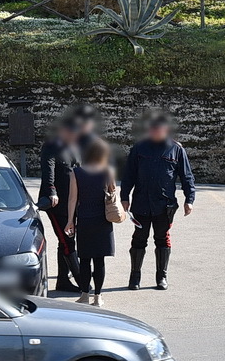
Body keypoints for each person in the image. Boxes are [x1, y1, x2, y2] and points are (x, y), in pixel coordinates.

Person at [120, 111, 196, 291]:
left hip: (164, 205)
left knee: (162, 240)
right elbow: (129, 175)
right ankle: (135, 277)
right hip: (141, 204)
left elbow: (187, 177)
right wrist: (124, 197)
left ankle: (161, 277)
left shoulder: (176, 150)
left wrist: (189, 199)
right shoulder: (139, 148)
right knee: (138, 240)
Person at [64, 137, 116, 307]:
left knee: (85, 259)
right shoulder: (107, 171)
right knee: (99, 260)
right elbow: (112, 192)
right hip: (102, 220)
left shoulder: (76, 172)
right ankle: (98, 296)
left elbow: (72, 199)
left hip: (84, 219)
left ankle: (85, 294)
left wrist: (70, 221)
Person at [38, 116, 82, 292]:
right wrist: (51, 191)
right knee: (66, 241)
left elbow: (79, 170)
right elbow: (48, 168)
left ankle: (63, 279)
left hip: (72, 202)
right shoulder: (51, 145)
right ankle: (82, 281)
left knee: (66, 239)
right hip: (55, 203)